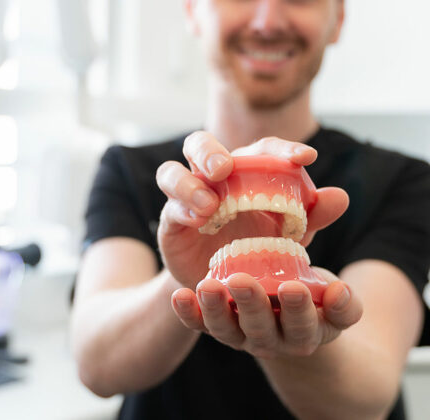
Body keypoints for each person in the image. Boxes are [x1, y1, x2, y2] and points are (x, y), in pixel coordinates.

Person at [71, 1, 430, 419]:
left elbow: (364, 398)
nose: (267, 22)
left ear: (338, 21)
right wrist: (190, 276)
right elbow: (96, 364)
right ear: (192, 12)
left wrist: (295, 336)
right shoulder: (128, 171)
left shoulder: (406, 181)